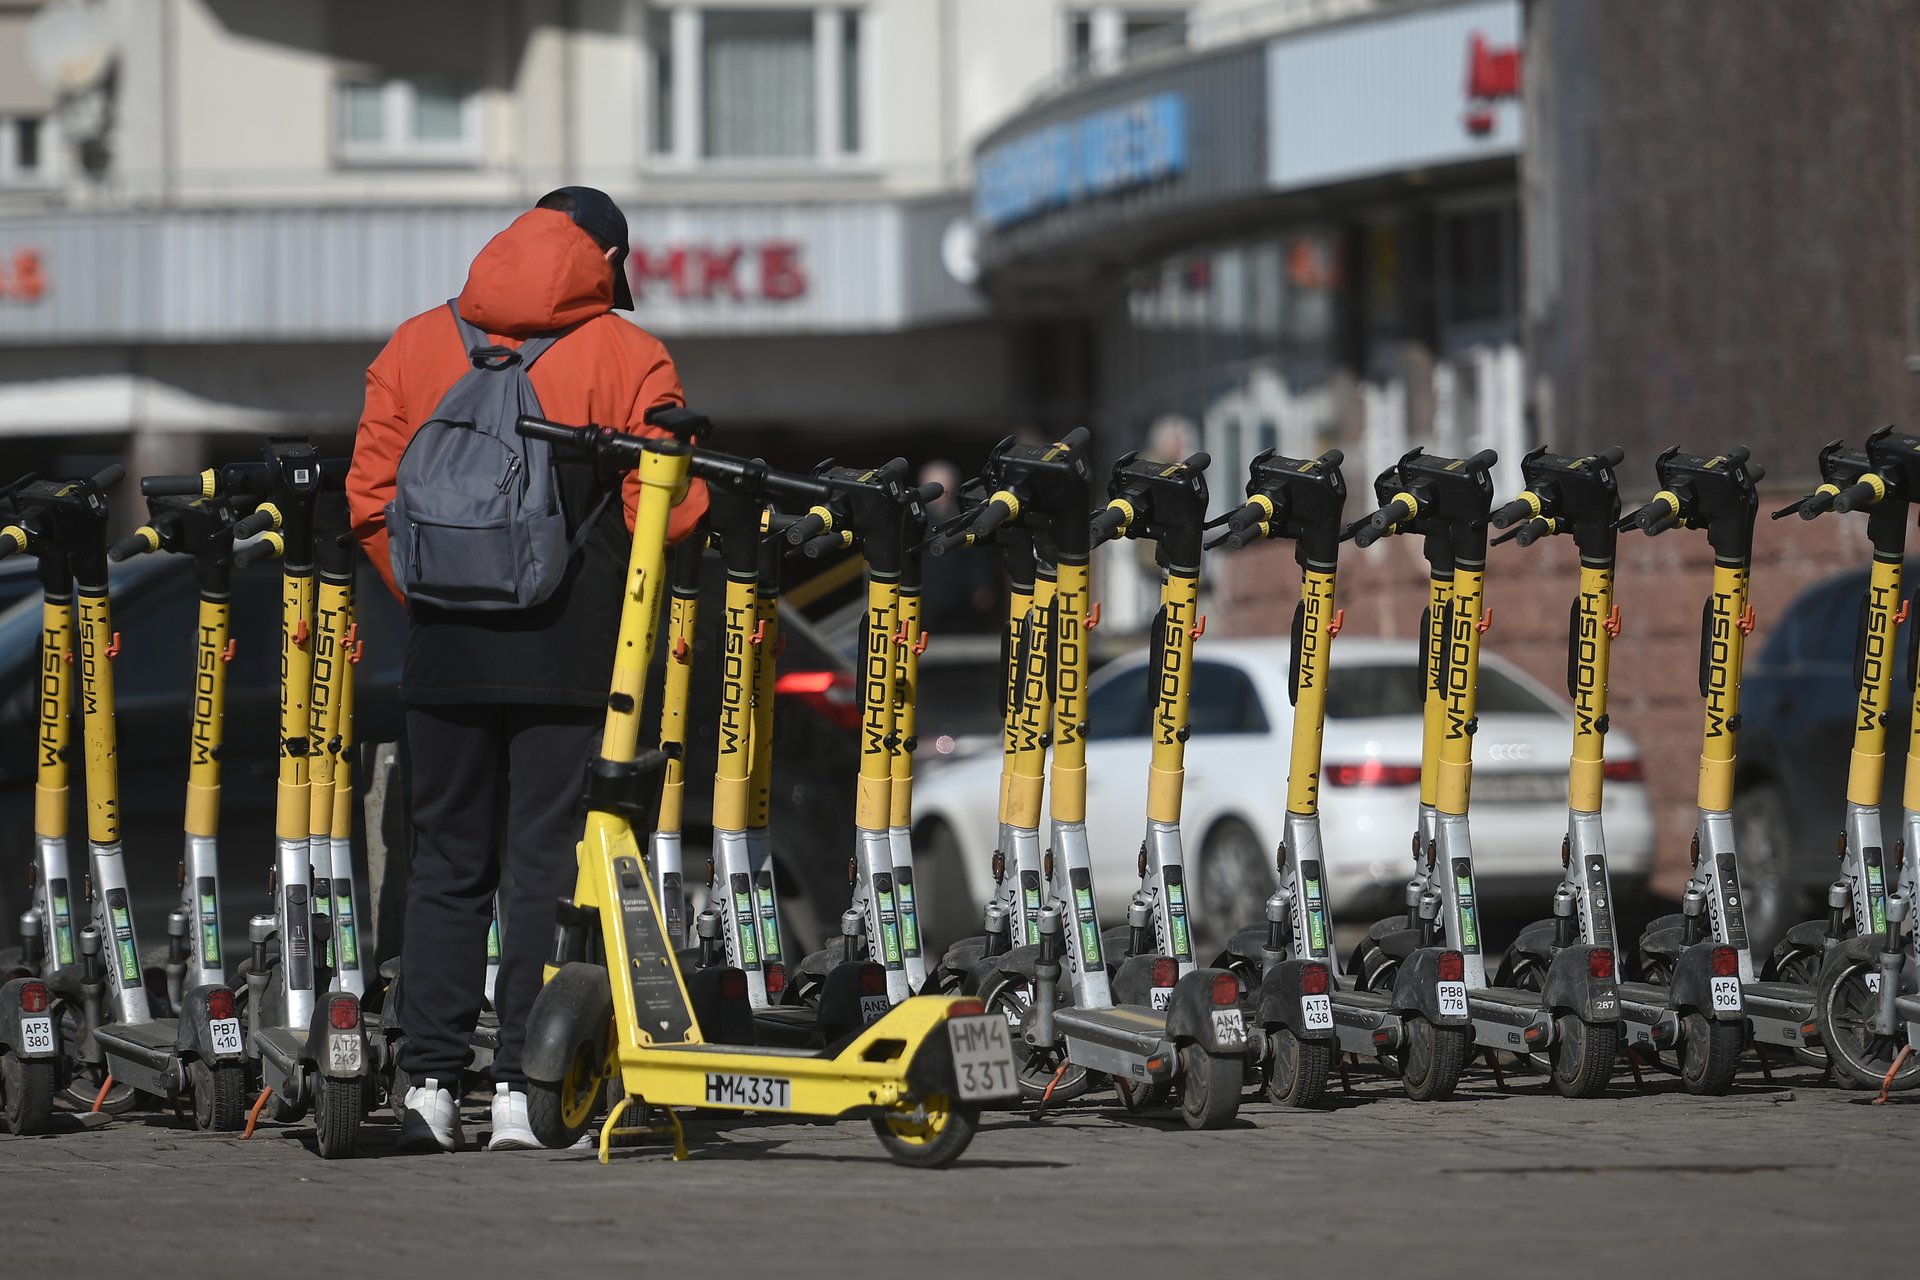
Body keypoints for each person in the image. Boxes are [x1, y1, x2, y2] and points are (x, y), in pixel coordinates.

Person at [347, 187, 707, 1153]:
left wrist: (437, 593)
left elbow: (371, 498)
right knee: (548, 871)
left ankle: (427, 1084)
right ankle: (522, 1088)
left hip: (445, 652)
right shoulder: (631, 355)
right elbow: (667, 510)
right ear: (608, 261)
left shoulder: (417, 344)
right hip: (573, 651)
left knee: (447, 866)